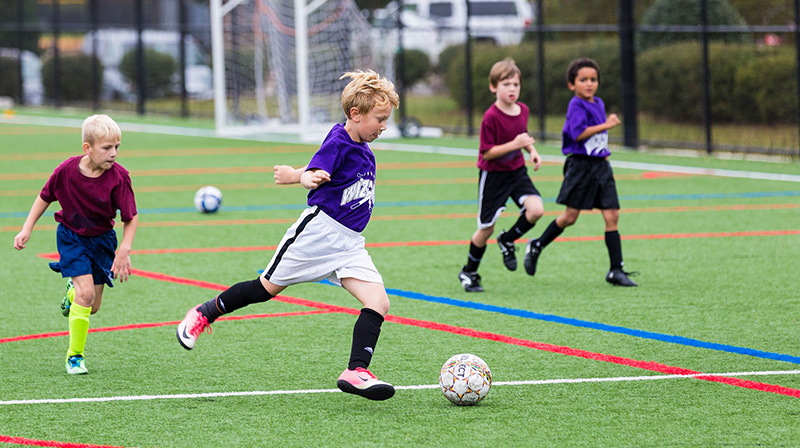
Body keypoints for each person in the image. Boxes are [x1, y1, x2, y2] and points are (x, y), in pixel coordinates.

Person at [176, 70, 399, 401]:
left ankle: (356, 371)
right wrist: (303, 178)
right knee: (265, 288)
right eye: (379, 119)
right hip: (317, 234)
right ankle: (203, 313)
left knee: (378, 302)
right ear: (355, 114)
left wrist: (294, 173)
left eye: (386, 119)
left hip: (350, 244)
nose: (383, 126)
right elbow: (316, 168)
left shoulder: (365, 150)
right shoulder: (338, 141)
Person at [13, 114, 139, 374]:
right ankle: (75, 356)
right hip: (71, 237)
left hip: (103, 241)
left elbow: (130, 217)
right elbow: (44, 197)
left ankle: (72, 292)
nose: (114, 153)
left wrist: (124, 249)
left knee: (92, 306)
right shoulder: (66, 171)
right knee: (86, 295)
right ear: (87, 148)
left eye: (117, 147)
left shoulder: (119, 177)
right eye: (107, 148)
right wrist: (27, 228)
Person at [523, 57, 637, 287]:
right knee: (570, 217)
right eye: (583, 80)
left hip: (601, 167)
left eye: (593, 79)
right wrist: (607, 124)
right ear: (571, 84)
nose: (589, 84)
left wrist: (603, 140)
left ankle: (616, 269)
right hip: (580, 167)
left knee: (612, 215)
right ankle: (537, 245)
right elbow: (578, 133)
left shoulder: (599, 103)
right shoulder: (576, 105)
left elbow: (595, 137)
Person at [458, 58, 544, 293]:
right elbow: (488, 152)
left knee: (536, 209)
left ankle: (508, 240)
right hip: (494, 176)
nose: (512, 89)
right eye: (506, 84)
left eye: (516, 84)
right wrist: (515, 143)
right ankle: (469, 272)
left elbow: (522, 135)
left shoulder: (523, 110)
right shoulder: (491, 117)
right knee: (486, 229)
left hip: (517, 172)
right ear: (493, 87)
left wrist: (532, 151)